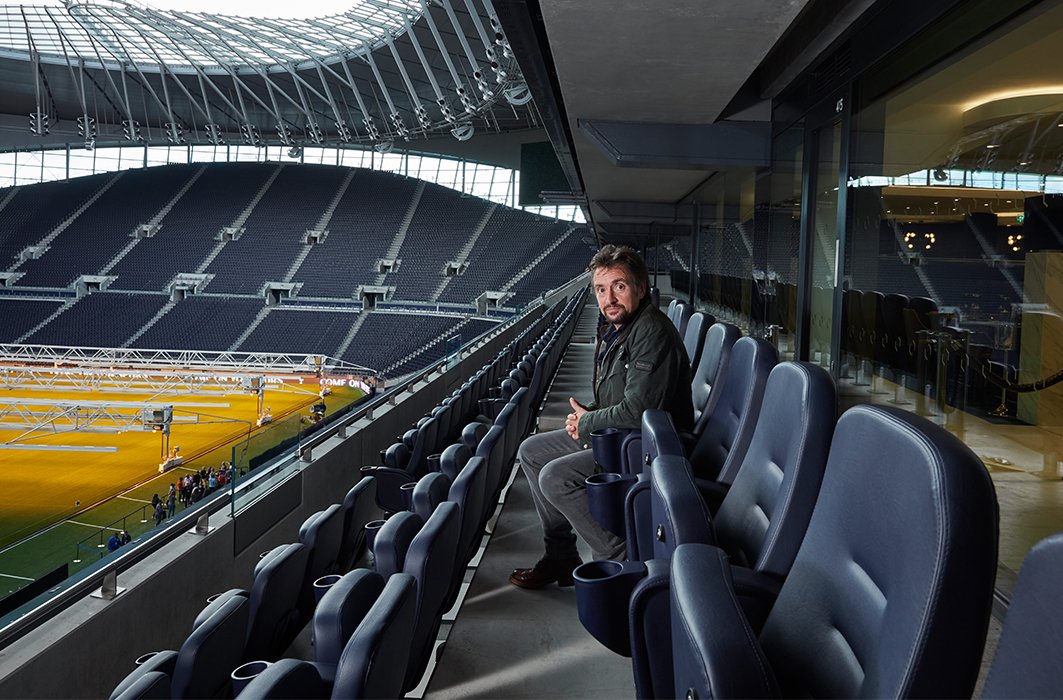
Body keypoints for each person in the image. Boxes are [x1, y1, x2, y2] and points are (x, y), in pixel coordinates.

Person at [509, 245, 694, 590]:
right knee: (532, 452)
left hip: (645, 447)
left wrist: (588, 423)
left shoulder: (651, 332)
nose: (609, 298)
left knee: (555, 477)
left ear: (640, 288)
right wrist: (589, 414)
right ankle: (561, 556)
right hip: (617, 434)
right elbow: (619, 396)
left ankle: (622, 559)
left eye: (619, 287)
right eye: (601, 289)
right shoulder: (622, 326)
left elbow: (639, 411)